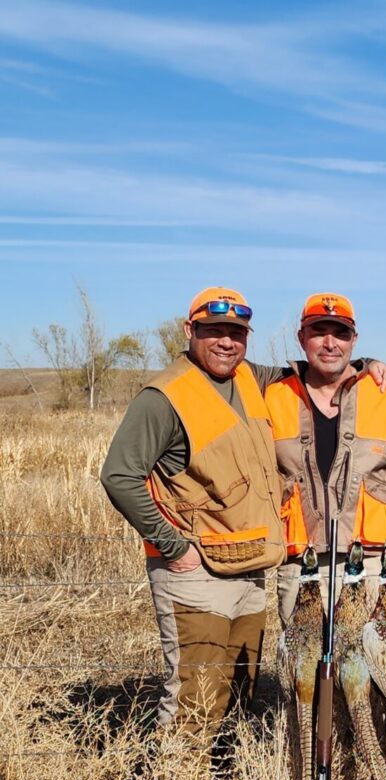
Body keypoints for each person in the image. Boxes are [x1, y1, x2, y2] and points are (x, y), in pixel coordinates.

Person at [101, 287, 286, 753]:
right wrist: (173, 546)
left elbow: (310, 374)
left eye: (237, 333)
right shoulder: (164, 397)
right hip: (196, 573)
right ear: (190, 331)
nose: (227, 342)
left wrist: (367, 367)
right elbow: (120, 476)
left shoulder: (248, 377)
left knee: (237, 695)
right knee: (194, 702)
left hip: (250, 568)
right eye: (214, 331)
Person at [265, 293, 386, 626]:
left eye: (341, 333)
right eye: (319, 331)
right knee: (306, 674)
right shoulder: (273, 397)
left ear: (355, 340)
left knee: (379, 672)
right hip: (302, 564)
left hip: (378, 565)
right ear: (301, 337)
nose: (330, 343)